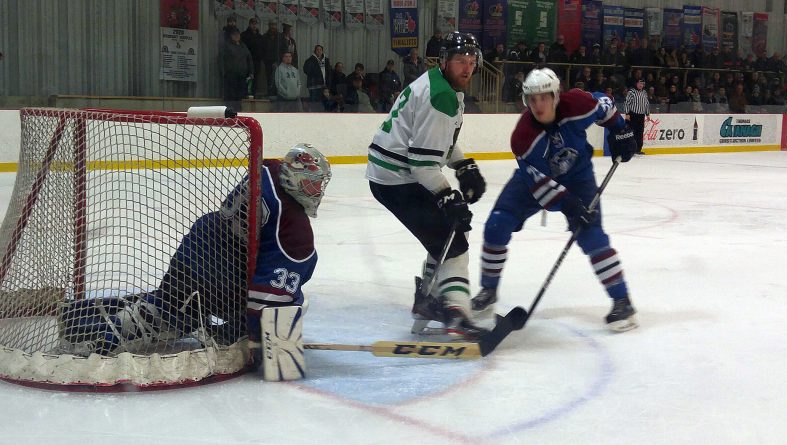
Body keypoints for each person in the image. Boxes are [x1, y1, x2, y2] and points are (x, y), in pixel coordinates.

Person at [60, 144, 332, 371]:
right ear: (294, 178)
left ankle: (81, 316)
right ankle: (230, 333)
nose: (316, 191)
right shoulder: (296, 232)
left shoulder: (267, 169)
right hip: (221, 277)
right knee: (293, 298)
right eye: (311, 184)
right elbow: (267, 300)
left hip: (202, 240)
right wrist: (265, 344)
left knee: (166, 306)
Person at [471, 67, 639, 333]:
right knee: (496, 224)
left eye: (544, 97)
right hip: (534, 182)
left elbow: (604, 104)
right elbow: (537, 183)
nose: (538, 105)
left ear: (556, 95)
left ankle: (622, 301)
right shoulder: (523, 137)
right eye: (532, 99)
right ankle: (488, 291)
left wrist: (620, 130)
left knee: (592, 235)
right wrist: (568, 203)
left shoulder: (577, 105)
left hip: (579, 178)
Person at [366, 31, 488, 339]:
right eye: (461, 61)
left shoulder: (440, 83)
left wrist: (462, 163)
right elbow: (422, 164)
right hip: (397, 179)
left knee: (443, 236)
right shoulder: (441, 95)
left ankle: (428, 301)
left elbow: (435, 145)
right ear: (445, 61)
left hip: (393, 173)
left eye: (472, 62)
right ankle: (456, 311)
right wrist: (447, 196)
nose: (467, 68)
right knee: (454, 242)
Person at [222, 29, 253, 111]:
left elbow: (249, 59)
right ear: (231, 36)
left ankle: (238, 109)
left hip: (242, 75)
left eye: (238, 34)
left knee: (240, 94)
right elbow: (221, 60)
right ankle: (230, 110)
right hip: (231, 75)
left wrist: (251, 72)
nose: (236, 36)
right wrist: (223, 72)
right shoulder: (227, 46)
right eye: (234, 35)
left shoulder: (243, 46)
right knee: (231, 94)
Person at [624, 78, 650, 155]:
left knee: (640, 133)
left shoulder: (644, 92)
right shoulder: (632, 92)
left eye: (643, 84)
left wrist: (647, 114)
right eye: (640, 83)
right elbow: (627, 103)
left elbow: (646, 104)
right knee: (632, 132)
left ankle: (638, 149)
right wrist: (627, 113)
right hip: (633, 115)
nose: (641, 85)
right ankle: (631, 149)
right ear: (637, 84)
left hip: (641, 116)